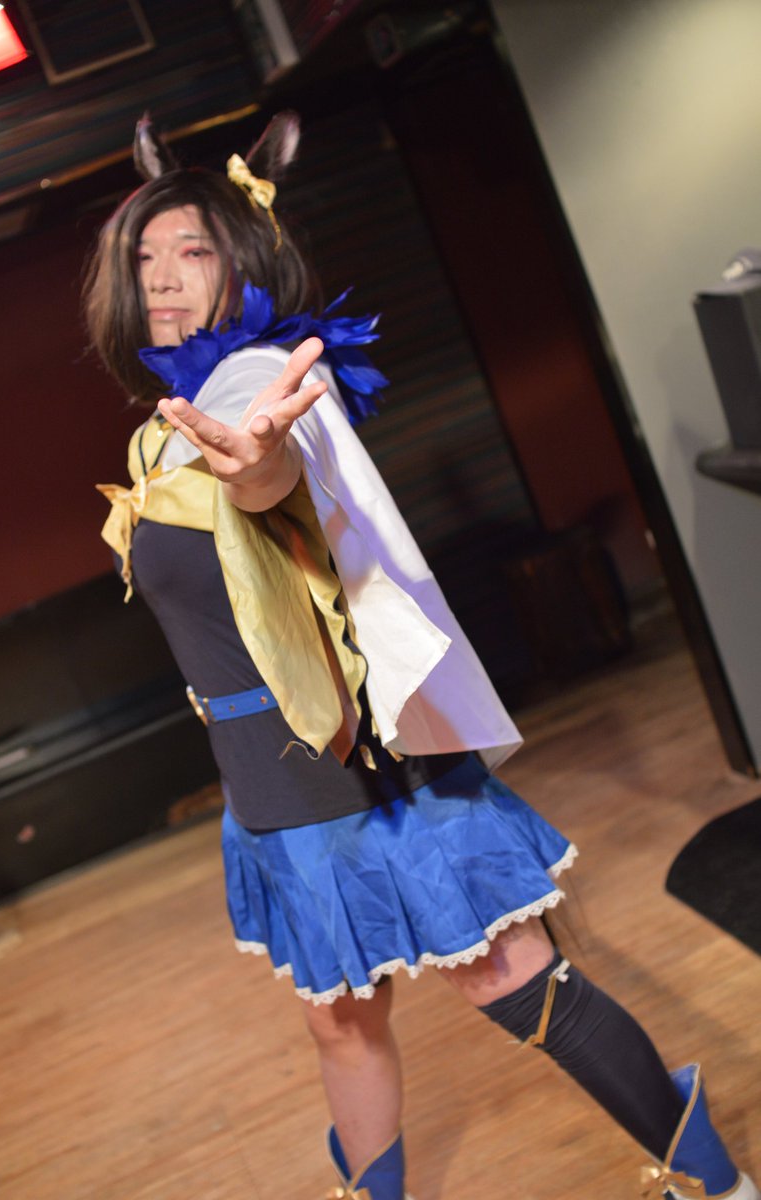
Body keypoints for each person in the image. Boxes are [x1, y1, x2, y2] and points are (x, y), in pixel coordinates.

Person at [86, 112, 758, 1200]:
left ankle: (713, 1178)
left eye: (191, 250)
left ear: (244, 263)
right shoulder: (171, 419)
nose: (159, 275)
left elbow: (273, 467)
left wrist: (256, 467)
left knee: (515, 985)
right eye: (145, 255)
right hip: (269, 785)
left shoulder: (257, 383)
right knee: (341, 1025)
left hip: (358, 775)